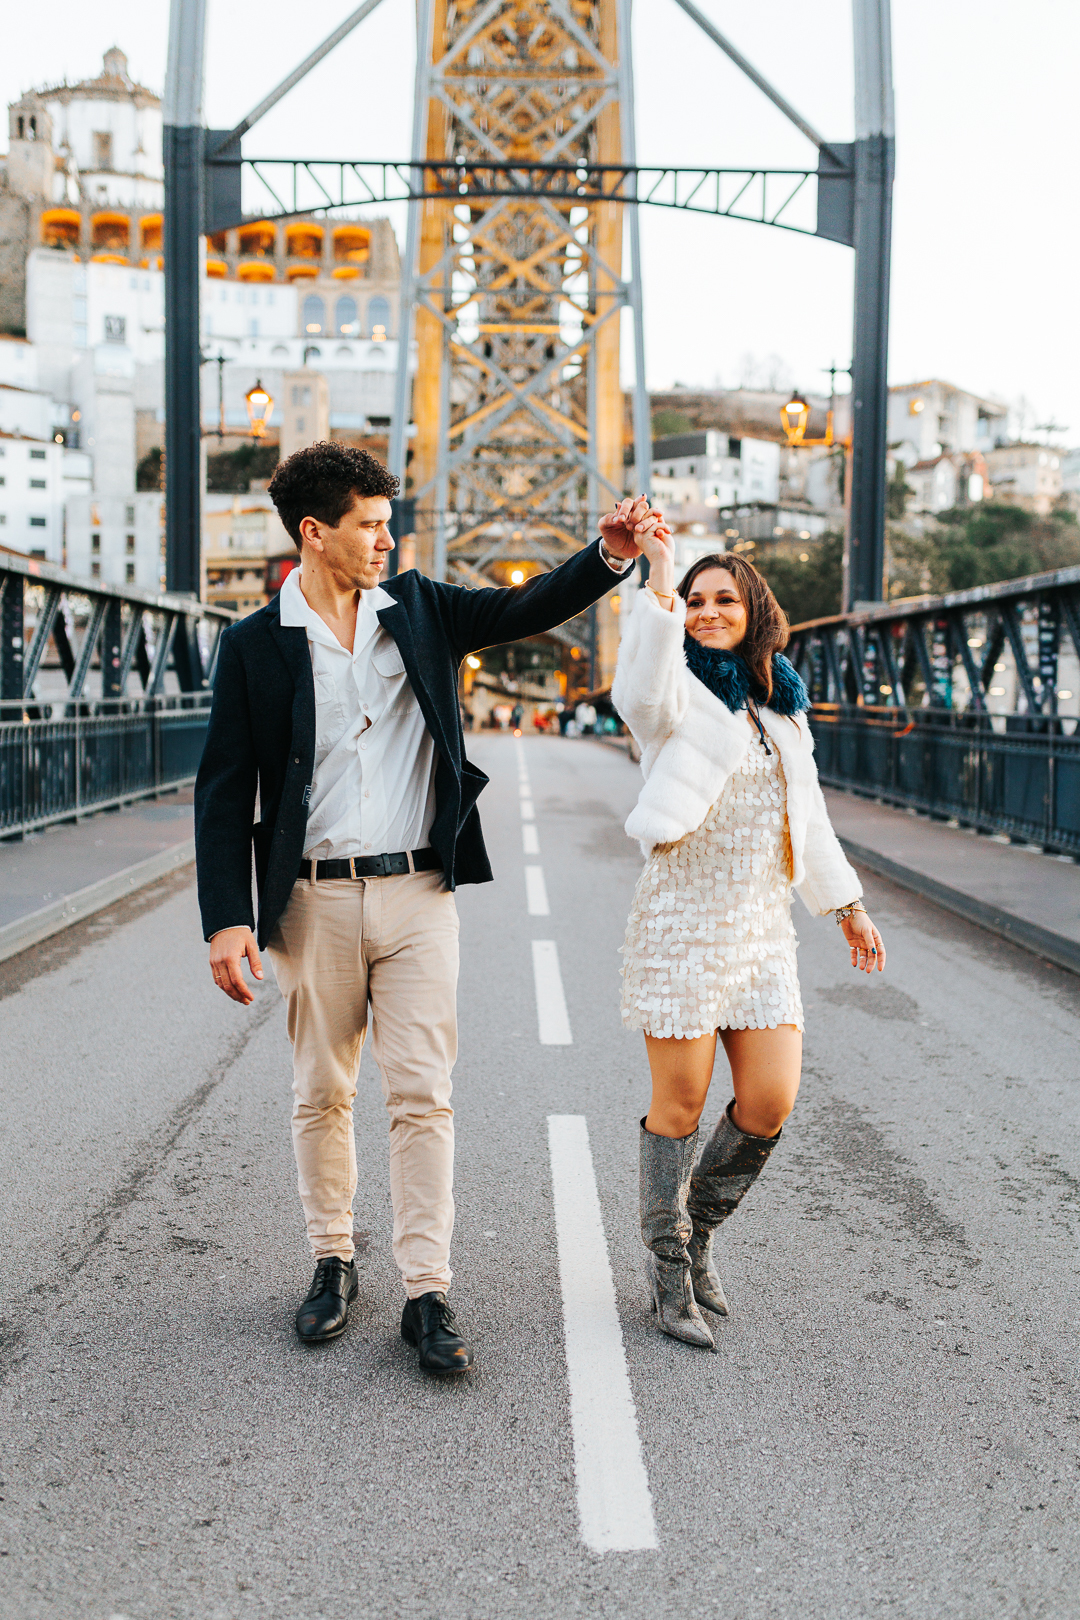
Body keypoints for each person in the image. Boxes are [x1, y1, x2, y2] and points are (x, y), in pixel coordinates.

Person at [195, 445, 647, 1373]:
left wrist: (606, 557)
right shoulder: (253, 645)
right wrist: (225, 917)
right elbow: (224, 784)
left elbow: (526, 608)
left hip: (416, 893)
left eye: (387, 521)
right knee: (321, 1092)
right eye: (368, 524)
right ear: (314, 534)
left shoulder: (422, 609)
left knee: (422, 1095)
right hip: (310, 902)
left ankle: (425, 1289)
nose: (385, 537)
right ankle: (332, 1261)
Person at [612, 525, 886, 1350]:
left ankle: (694, 1235)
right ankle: (667, 1272)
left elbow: (810, 822)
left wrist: (849, 909)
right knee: (682, 1104)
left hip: (762, 932)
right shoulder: (675, 695)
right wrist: (657, 575)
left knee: (768, 1103)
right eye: (695, 602)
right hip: (683, 924)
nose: (705, 612)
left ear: (755, 609)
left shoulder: (782, 706)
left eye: (722, 600)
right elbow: (638, 692)